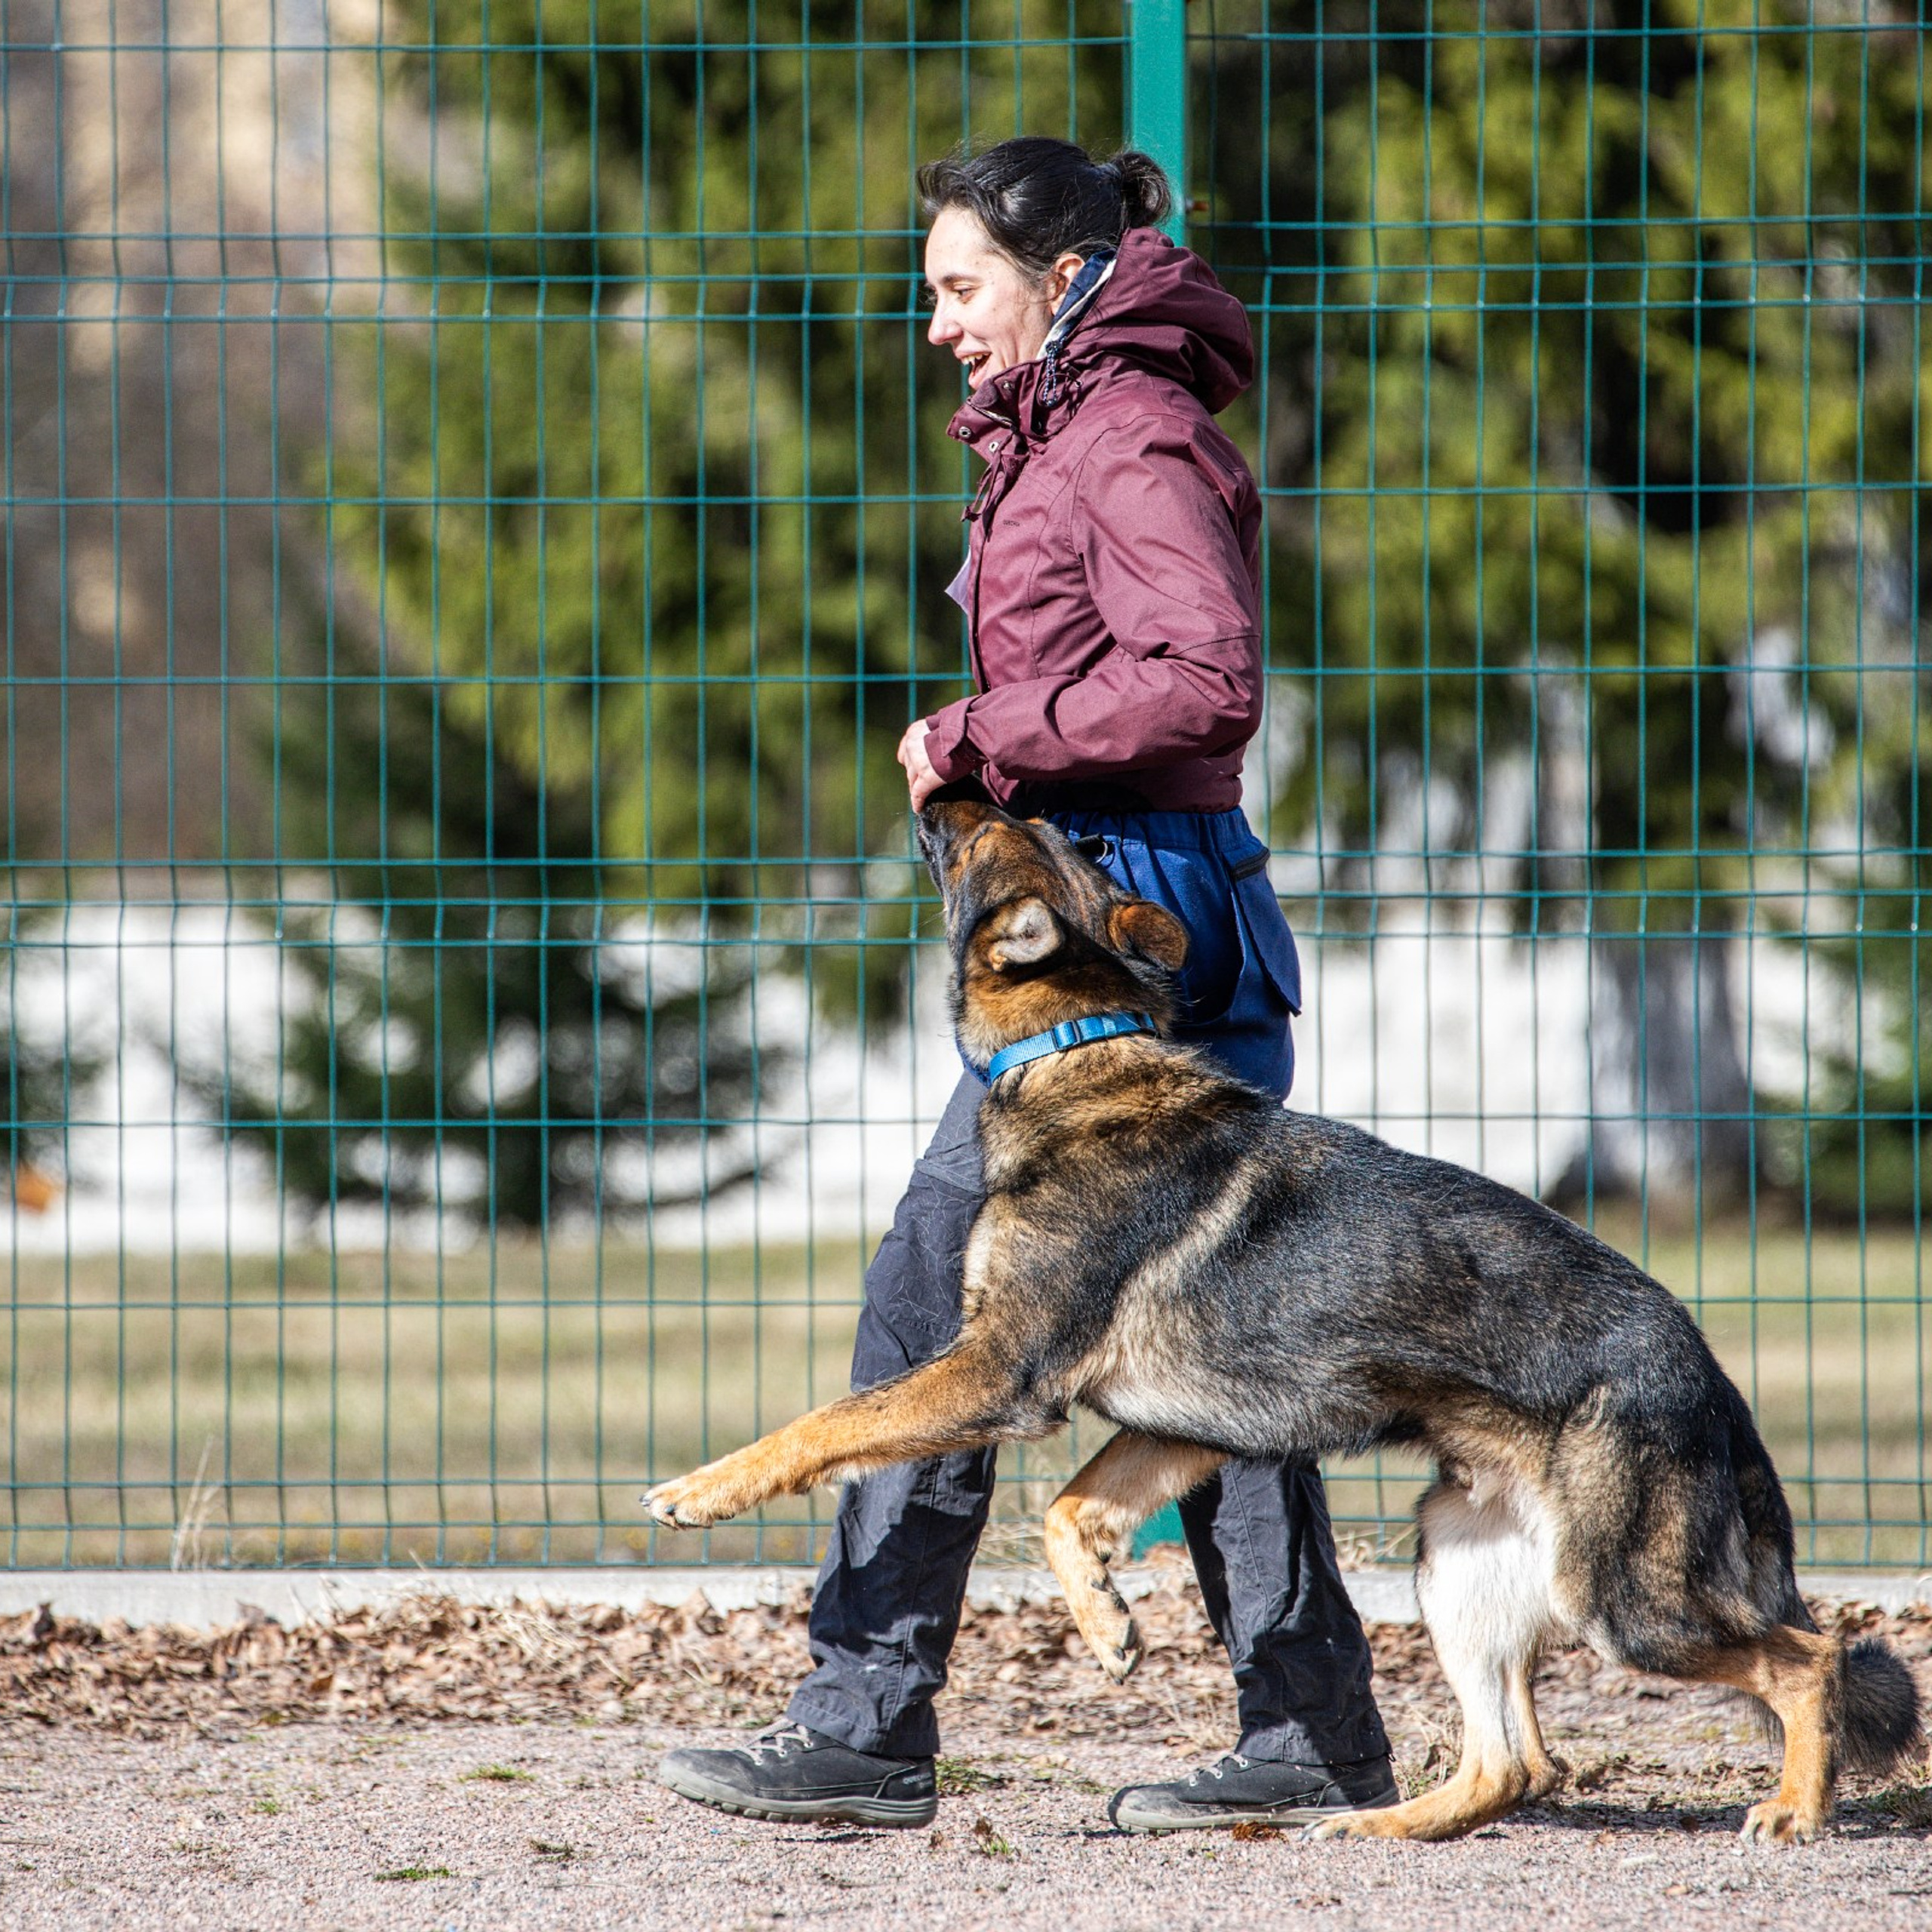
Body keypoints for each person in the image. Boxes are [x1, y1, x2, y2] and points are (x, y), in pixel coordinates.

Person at [660, 137, 1394, 1833]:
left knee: (941, 1299)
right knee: (1217, 1339)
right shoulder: (1065, 427)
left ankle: (863, 1719)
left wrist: (976, 735)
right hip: (1125, 930)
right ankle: (1308, 1731)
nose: (934, 324)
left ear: (1062, 278)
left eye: (957, 287)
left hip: (1126, 956)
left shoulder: (1125, 435)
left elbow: (1203, 683)